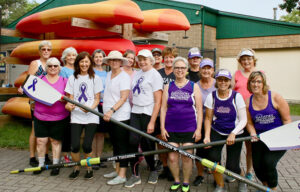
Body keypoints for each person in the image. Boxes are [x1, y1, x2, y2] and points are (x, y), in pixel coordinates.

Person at [160, 57, 202, 192]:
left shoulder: (193, 86)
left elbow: (200, 109)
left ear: (187, 70)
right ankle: (177, 180)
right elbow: (163, 108)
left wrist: (199, 129)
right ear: (173, 69)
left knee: (186, 157)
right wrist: (162, 127)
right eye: (177, 68)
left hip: (189, 127)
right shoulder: (168, 86)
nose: (179, 70)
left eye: (182, 68)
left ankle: (185, 182)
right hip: (171, 128)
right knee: (172, 157)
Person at [203, 69, 247, 192]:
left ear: (229, 82)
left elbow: (244, 120)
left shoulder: (236, 96)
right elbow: (208, 118)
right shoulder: (211, 96)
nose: (223, 82)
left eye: (226, 80)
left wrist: (233, 133)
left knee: (232, 166)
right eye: (220, 79)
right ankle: (220, 184)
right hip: (217, 131)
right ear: (216, 81)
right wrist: (207, 136)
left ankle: (242, 180)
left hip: (235, 133)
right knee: (213, 160)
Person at [246, 71, 291, 191]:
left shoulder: (275, 97)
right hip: (260, 139)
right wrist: (252, 133)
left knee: (268, 163)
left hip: (278, 139)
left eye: (258, 81)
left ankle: (273, 188)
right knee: (257, 166)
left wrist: (290, 139)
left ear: (263, 83)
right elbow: (249, 122)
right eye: (253, 81)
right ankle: (265, 187)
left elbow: (287, 120)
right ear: (249, 83)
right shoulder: (248, 101)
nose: (255, 84)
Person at [125, 49, 163, 188]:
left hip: (148, 112)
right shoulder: (137, 73)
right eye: (140, 59)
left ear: (151, 60)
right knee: (132, 141)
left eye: (145, 59)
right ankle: (135, 175)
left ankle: (153, 169)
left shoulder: (155, 75)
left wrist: (152, 121)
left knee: (147, 144)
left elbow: (158, 101)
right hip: (135, 111)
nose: (142, 62)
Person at [65, 52, 103, 180]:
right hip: (76, 116)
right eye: (82, 62)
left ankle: (88, 168)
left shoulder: (95, 78)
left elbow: (97, 99)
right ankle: (76, 167)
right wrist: (70, 105)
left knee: (87, 145)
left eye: (87, 62)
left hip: (91, 116)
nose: (84, 64)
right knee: (74, 145)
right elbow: (70, 97)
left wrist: (90, 109)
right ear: (78, 63)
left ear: (90, 63)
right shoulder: (72, 78)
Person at [18, 40, 52, 167]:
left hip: (48, 102)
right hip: (36, 102)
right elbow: (28, 81)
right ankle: (32, 157)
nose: (46, 51)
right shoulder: (35, 63)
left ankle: (46, 155)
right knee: (35, 129)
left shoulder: (51, 64)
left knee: (48, 130)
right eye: (43, 49)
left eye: (48, 49)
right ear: (39, 51)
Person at [32, 57, 69, 176]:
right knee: (41, 141)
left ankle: (55, 165)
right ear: (46, 68)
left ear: (59, 68)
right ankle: (41, 165)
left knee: (55, 141)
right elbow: (30, 92)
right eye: (50, 66)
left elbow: (69, 99)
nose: (53, 68)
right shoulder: (39, 80)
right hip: (40, 116)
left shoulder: (64, 81)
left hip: (59, 117)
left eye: (55, 66)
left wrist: (63, 100)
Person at [101, 51, 131, 185]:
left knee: (122, 145)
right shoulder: (108, 75)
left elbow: (124, 97)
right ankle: (117, 170)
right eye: (112, 60)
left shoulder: (124, 77)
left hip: (120, 116)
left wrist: (112, 110)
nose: (114, 62)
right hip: (109, 116)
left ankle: (123, 175)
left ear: (121, 62)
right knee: (115, 144)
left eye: (117, 60)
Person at [232, 48, 257, 185]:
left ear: (253, 60)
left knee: (250, 147)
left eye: (249, 58)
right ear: (240, 61)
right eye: (243, 59)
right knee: (235, 145)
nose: (246, 61)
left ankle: (249, 171)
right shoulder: (236, 74)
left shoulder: (259, 74)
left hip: (253, 116)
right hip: (238, 116)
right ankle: (234, 170)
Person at [193, 58, 216, 186]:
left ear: (212, 70)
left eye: (209, 68)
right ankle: (200, 175)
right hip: (200, 122)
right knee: (200, 151)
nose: (206, 70)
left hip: (215, 123)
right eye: (204, 68)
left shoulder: (218, 84)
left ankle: (216, 177)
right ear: (200, 70)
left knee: (214, 152)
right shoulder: (196, 85)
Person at [157, 47, 178, 181]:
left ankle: (172, 168)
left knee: (171, 142)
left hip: (173, 112)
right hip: (160, 111)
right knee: (160, 141)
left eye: (172, 57)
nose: (169, 60)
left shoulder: (179, 73)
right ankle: (164, 167)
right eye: (167, 57)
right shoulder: (158, 73)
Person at [59, 47, 78, 164]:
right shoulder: (63, 70)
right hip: (67, 104)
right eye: (69, 55)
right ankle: (64, 155)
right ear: (64, 57)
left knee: (74, 131)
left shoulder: (78, 69)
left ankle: (73, 153)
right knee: (66, 131)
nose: (71, 57)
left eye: (73, 55)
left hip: (78, 104)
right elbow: (62, 88)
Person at [91, 49, 108, 169]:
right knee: (93, 132)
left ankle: (99, 157)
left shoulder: (107, 73)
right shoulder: (90, 72)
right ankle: (92, 159)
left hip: (103, 105)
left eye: (100, 57)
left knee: (101, 134)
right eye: (96, 57)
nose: (98, 59)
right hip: (92, 105)